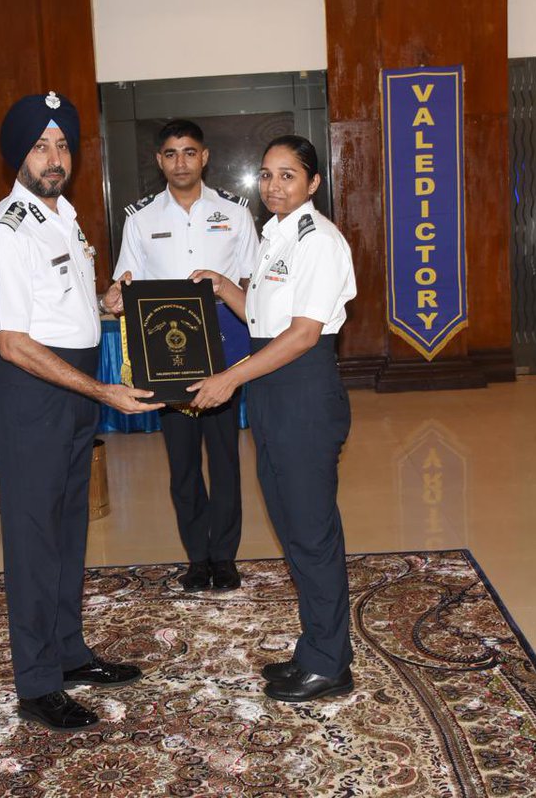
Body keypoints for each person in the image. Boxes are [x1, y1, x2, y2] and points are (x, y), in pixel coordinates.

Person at [0, 92, 163, 731]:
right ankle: (36, 683)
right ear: (17, 154)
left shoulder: (65, 217)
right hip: (35, 394)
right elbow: (13, 342)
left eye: (61, 146)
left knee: (69, 530)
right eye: (39, 146)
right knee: (34, 541)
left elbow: (60, 306)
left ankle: (69, 652)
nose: (54, 158)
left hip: (71, 389)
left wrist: (105, 301)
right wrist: (101, 391)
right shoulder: (4, 231)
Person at [187, 134, 357, 703]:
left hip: (303, 391)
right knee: (291, 525)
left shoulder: (319, 241)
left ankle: (330, 664)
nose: (273, 186)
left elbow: (304, 334)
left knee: (311, 531)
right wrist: (221, 286)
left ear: (313, 182)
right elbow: (263, 319)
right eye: (266, 175)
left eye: (288, 175)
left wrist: (230, 378)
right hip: (272, 388)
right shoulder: (275, 235)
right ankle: (317, 648)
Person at [108, 119, 259, 592]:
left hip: (222, 349)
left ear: (204, 157)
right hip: (167, 357)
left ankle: (225, 557)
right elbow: (125, 284)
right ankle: (197, 557)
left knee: (225, 459)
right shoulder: (140, 219)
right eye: (171, 154)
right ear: (160, 161)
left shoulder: (235, 213)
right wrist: (114, 295)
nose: (181, 162)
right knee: (182, 465)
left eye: (189, 152)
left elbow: (251, 282)